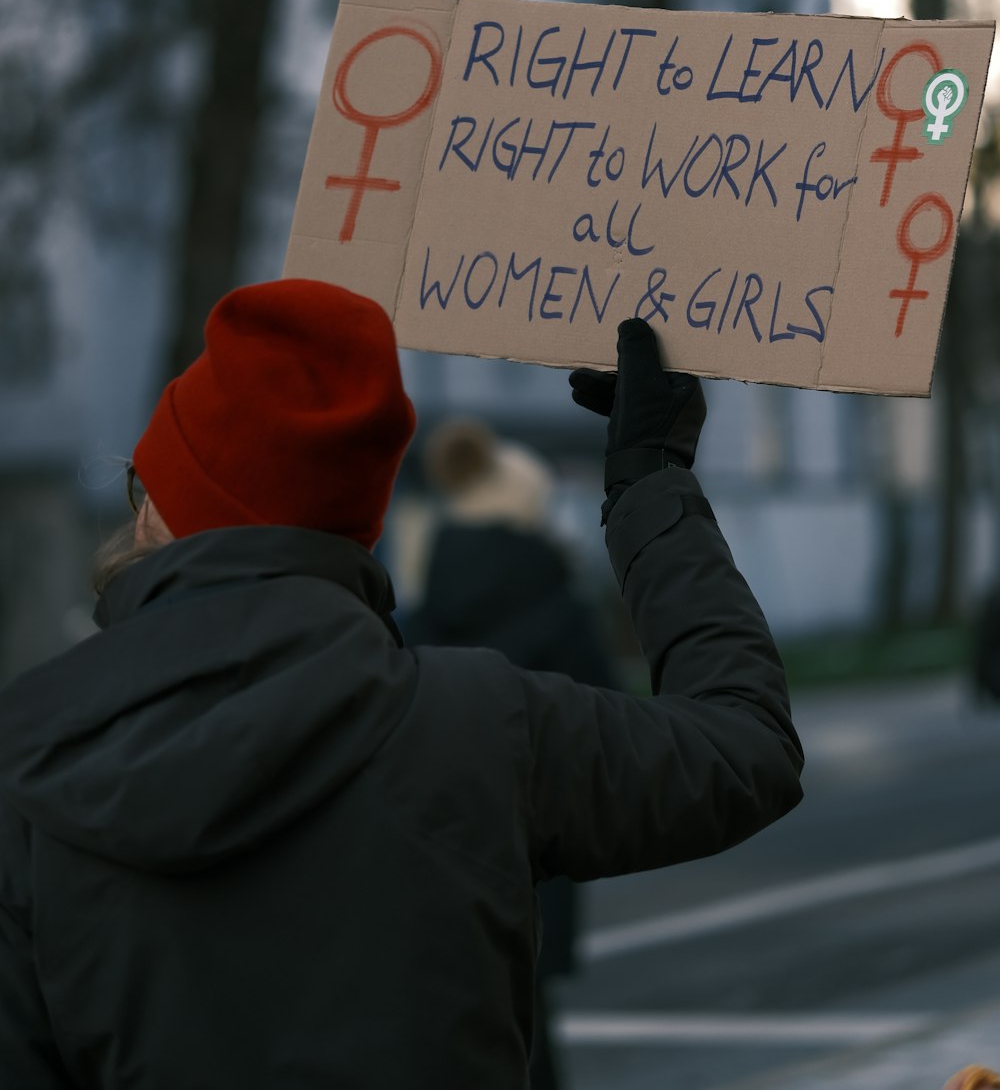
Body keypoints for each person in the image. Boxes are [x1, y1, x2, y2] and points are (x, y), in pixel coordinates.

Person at [0, 278, 804, 1090]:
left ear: (157, 513)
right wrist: (647, 479)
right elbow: (744, 746)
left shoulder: (26, 758)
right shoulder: (480, 724)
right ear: (357, 524)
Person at [413, 418, 617, 1089]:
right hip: (531, 845)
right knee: (527, 1031)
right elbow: (608, 732)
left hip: (433, 851)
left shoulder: (419, 615)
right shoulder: (559, 609)